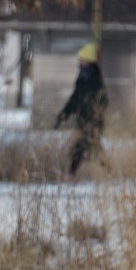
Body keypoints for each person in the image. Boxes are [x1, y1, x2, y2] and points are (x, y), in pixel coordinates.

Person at [54, 42, 109, 176]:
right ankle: (109, 171)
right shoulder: (83, 77)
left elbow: (102, 100)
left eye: (82, 59)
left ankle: (71, 174)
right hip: (85, 121)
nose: (79, 61)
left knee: (82, 148)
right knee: (92, 148)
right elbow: (75, 99)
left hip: (91, 122)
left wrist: (93, 115)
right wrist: (63, 115)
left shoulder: (92, 78)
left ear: (89, 61)